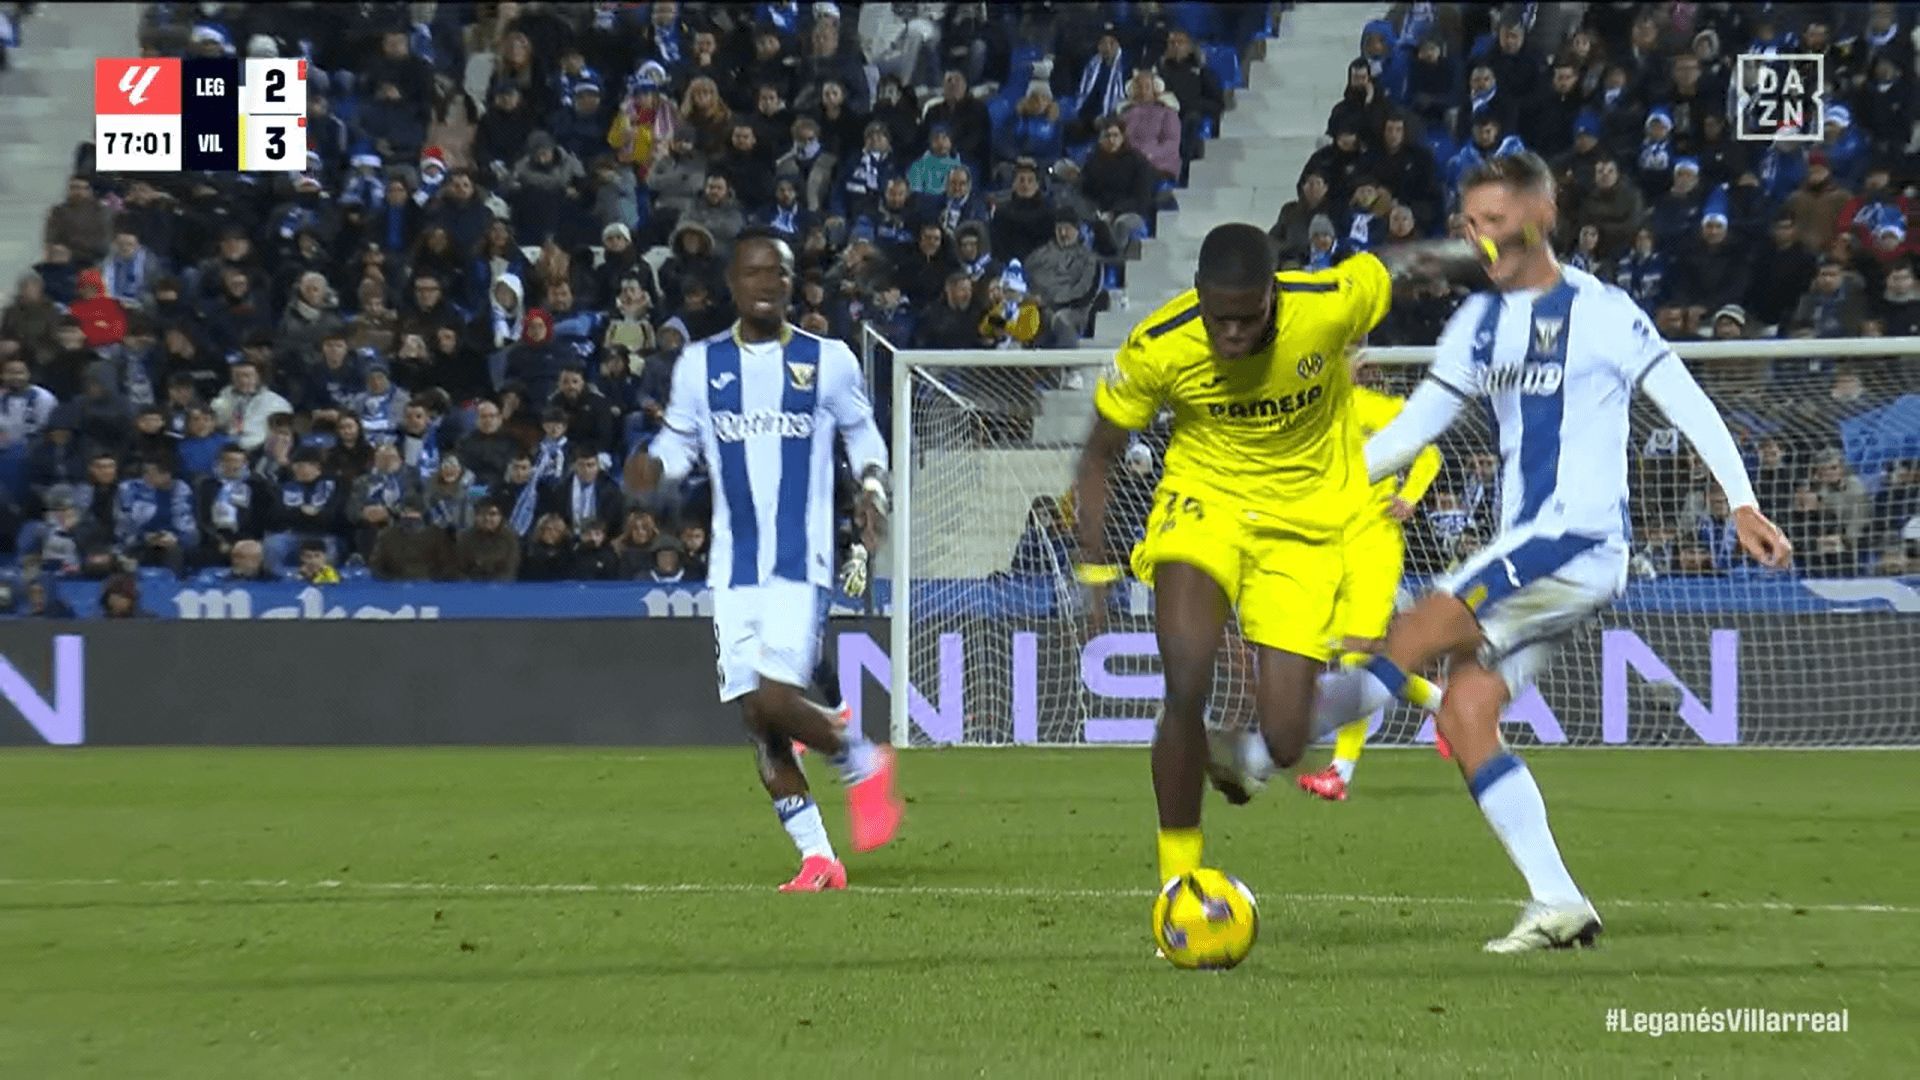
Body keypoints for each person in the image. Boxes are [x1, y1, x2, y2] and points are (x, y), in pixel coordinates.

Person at [1332, 152, 1793, 951]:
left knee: (1411, 633)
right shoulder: (1478, 324)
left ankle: (1262, 744)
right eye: (1470, 224)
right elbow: (1412, 431)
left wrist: (1740, 499)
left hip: (1577, 535)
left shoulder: (1604, 310)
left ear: (1541, 213)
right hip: (1529, 545)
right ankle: (1558, 901)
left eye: (1497, 220)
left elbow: (1685, 399)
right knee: (1470, 712)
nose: (1482, 237)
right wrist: (1319, 488)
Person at [1071, 221, 1463, 894]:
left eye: (1248, 318)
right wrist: (1097, 572)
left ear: (1274, 295)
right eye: (1218, 319)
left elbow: (1401, 260)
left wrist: (1483, 253)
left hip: (1302, 527)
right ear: (1197, 296)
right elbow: (1098, 453)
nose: (1232, 335)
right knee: (1186, 682)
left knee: (1284, 742)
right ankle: (1178, 888)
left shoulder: (1330, 301)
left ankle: (1236, 754)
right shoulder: (1160, 347)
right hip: (1203, 505)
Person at [624, 231, 902, 891]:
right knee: (758, 720)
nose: (766, 284)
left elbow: (864, 432)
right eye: (753, 273)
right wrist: (654, 465)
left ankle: (863, 760)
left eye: (777, 273)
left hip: (798, 561)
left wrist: (871, 488)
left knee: (775, 698)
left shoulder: (827, 360)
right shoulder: (700, 364)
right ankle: (818, 857)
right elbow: (680, 444)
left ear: (790, 281)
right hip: (732, 566)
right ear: (733, 283)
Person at [1295, 364, 1446, 802]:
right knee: (1353, 656)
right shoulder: (1313, 415)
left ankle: (1340, 773)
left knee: (1355, 657)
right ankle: (1444, 707)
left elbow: (1429, 452)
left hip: (1374, 547)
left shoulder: (1378, 407)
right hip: (1329, 548)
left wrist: (1410, 495)